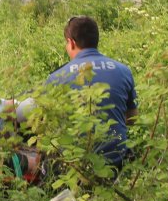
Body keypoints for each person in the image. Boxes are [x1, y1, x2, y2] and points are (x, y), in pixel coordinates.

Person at [44, 16, 138, 168]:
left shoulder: (57, 77)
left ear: (71, 42)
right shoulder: (123, 71)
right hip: (116, 161)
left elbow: (50, 126)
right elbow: (132, 119)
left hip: (75, 164)